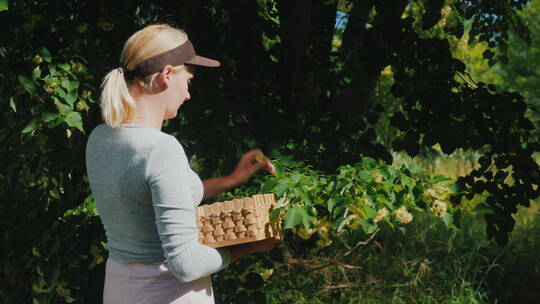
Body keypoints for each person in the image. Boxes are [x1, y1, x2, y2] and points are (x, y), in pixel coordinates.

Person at [85, 24, 279, 304]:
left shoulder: (100, 137)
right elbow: (185, 264)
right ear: (166, 75)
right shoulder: (161, 149)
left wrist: (231, 180)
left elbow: (157, 199)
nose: (188, 94)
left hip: (119, 292)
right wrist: (250, 246)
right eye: (188, 80)